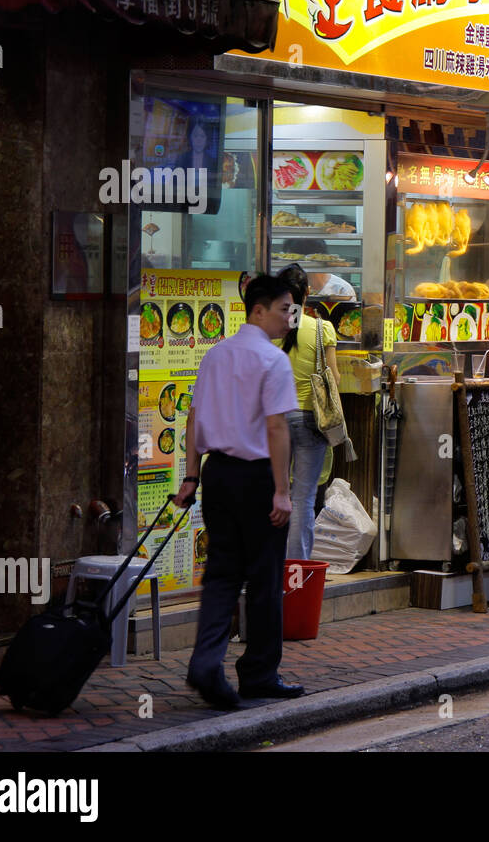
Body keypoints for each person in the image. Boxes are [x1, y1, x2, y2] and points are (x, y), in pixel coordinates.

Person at [174, 274, 305, 708]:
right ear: (259, 310)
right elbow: (275, 426)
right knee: (265, 580)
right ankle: (259, 673)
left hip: (218, 476)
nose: (290, 318)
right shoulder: (272, 361)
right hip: (257, 477)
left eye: (292, 310)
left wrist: (191, 476)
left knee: (222, 574)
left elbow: (194, 418)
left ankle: (206, 662)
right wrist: (282, 491)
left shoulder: (216, 355)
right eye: (285, 310)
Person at [276, 264, 343, 562]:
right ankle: (297, 567)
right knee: (302, 499)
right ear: (307, 293)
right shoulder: (321, 328)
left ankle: (272, 564)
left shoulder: (272, 329)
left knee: (276, 494)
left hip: (274, 421)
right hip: (309, 420)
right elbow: (335, 379)